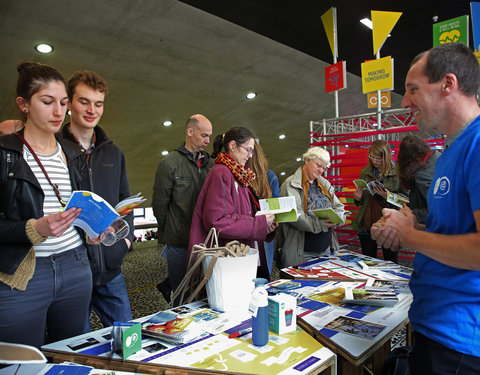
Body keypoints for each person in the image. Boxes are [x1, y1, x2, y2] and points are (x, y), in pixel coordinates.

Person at [371, 43, 480, 374]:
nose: (404, 102)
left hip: (459, 340)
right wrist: (409, 230)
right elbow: (453, 235)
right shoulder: (449, 152)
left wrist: (411, 237)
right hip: (436, 328)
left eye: (412, 89)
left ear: (448, 84)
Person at [0, 62, 92, 347]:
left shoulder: (73, 153)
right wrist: (33, 228)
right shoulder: (6, 154)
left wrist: (94, 227)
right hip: (23, 273)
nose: (58, 112)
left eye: (63, 103)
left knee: (72, 353)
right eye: (47, 101)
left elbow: (81, 205)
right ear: (23, 104)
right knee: (21, 360)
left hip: (76, 266)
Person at [60, 70, 134, 330]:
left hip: (110, 268)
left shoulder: (114, 152)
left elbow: (126, 201)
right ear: (68, 103)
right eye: (84, 101)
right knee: (72, 349)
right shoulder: (54, 149)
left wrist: (125, 241)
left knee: (129, 341)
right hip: (71, 271)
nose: (92, 110)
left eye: (98, 103)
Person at [188, 127, 277, 279]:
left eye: (252, 152)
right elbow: (217, 221)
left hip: (239, 256)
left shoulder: (238, 174)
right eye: (248, 150)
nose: (250, 156)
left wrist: (266, 226)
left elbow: (242, 215)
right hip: (229, 259)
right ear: (233, 145)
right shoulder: (221, 173)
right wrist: (259, 223)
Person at [152, 114, 213, 304]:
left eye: (209, 136)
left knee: (205, 293)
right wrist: (172, 230)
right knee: (182, 295)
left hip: (205, 241)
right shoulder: (169, 164)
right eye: (204, 135)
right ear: (190, 131)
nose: (207, 141)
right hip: (180, 243)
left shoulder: (210, 166)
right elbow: (159, 205)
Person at [277, 147, 345, 268]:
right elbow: (296, 217)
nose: (321, 171)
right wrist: (322, 224)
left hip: (326, 250)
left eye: (324, 168)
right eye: (318, 165)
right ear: (307, 160)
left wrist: (339, 218)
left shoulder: (324, 184)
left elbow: (339, 206)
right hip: (302, 253)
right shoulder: (290, 184)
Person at [353, 140, 404, 263]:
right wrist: (357, 198)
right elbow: (361, 202)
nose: (375, 162)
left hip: (389, 226)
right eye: (372, 158)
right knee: (369, 264)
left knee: (391, 263)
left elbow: (407, 201)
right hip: (367, 225)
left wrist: (388, 196)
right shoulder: (365, 171)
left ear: (386, 157)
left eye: (379, 159)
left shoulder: (397, 172)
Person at [248, 139, 279, 274]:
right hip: (255, 232)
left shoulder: (269, 176)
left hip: (262, 232)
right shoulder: (233, 174)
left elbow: (276, 208)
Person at [397, 134, 440, 225]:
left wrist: (410, 213)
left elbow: (439, 210)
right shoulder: (437, 157)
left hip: (429, 228)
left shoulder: (421, 175)